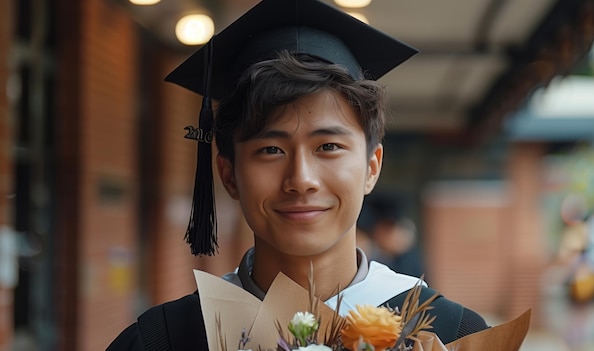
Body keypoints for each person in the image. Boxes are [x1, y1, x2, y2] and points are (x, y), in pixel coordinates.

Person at [107, 0, 489, 349]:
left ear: (372, 167)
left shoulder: (451, 334)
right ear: (228, 174)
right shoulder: (164, 340)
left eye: (328, 147)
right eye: (270, 150)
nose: (301, 179)